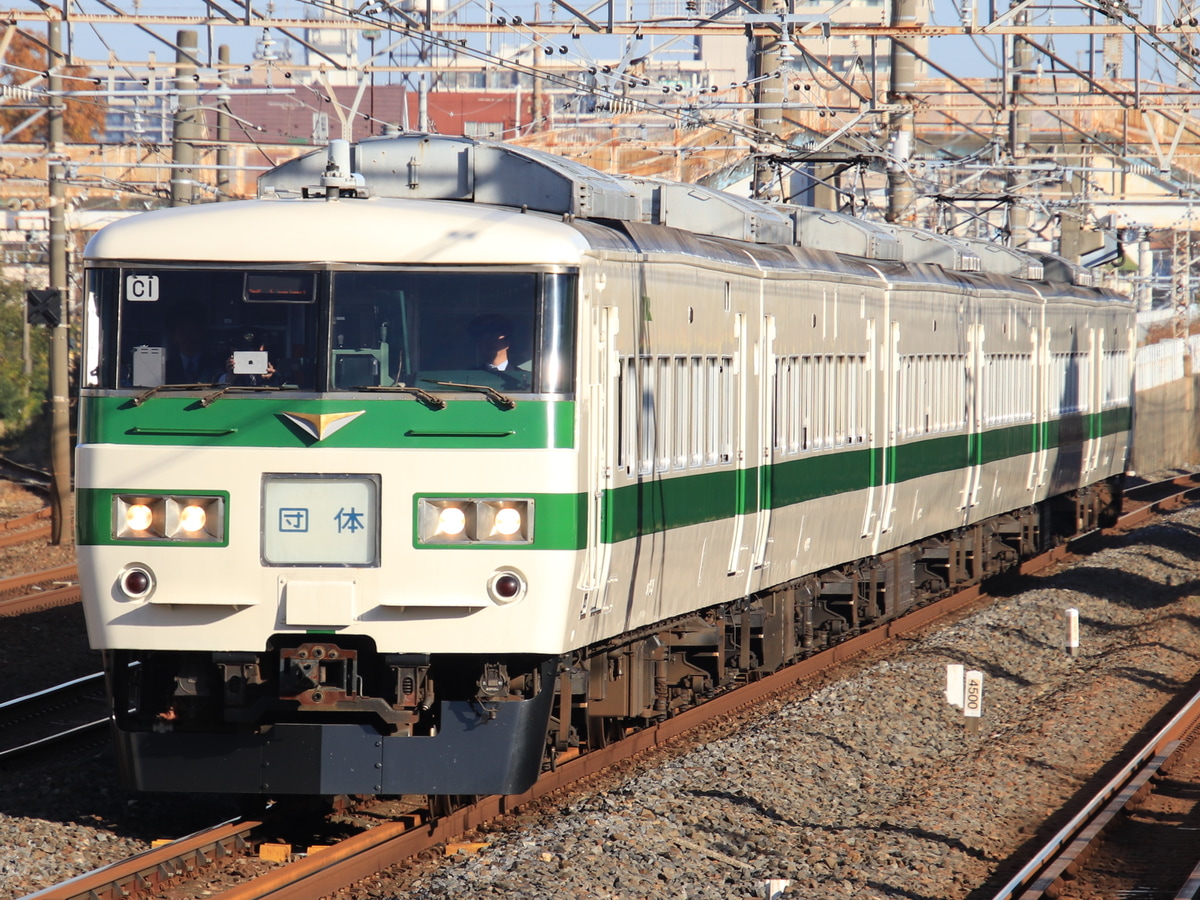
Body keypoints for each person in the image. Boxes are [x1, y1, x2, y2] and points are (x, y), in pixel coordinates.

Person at [165, 311, 222, 384]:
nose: (187, 334)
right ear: (174, 335)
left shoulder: (215, 365)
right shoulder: (166, 369)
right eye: (182, 328)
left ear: (202, 333)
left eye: (192, 328)